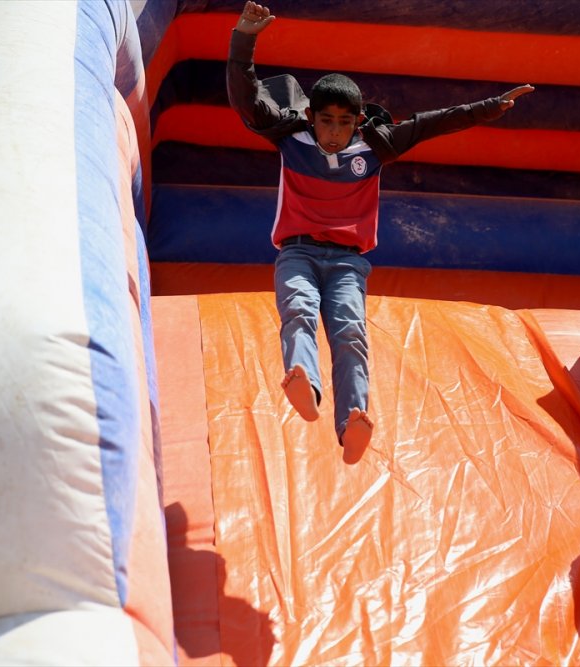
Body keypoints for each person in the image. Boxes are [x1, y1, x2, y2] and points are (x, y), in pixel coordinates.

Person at [227, 1, 534, 464]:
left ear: (358, 121)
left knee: (350, 331)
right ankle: (303, 380)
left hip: (349, 261)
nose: (333, 132)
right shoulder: (291, 137)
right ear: (311, 116)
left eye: (344, 122)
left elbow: (433, 122)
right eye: (326, 121)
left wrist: (489, 108)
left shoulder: (374, 146)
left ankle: (352, 417)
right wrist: (244, 38)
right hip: (298, 253)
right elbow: (245, 95)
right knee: (299, 310)